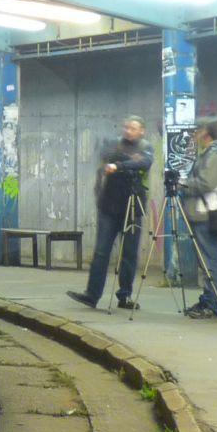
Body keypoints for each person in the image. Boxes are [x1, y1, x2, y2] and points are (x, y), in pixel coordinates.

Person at [68, 116, 152, 311]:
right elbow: (106, 156)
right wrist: (128, 160)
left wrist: (119, 164)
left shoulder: (146, 147)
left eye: (133, 128)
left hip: (132, 207)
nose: (128, 131)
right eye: (126, 127)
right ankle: (92, 295)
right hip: (109, 206)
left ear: (142, 131)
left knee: (129, 254)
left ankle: (125, 296)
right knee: (101, 252)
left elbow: (144, 163)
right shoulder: (113, 143)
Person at [179, 117, 217, 319]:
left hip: (207, 213)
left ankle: (212, 304)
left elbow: (208, 183)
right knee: (206, 261)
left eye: (196, 131)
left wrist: (183, 183)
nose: (194, 136)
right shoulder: (210, 153)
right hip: (202, 212)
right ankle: (208, 299)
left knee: (210, 261)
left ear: (205, 132)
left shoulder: (216, 154)